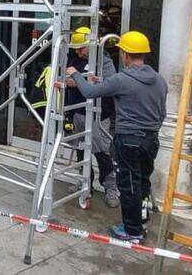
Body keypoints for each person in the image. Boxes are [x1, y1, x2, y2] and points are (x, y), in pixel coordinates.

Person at [66, 30, 167, 244]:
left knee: (128, 185)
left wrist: (74, 74)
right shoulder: (159, 80)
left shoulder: (122, 79)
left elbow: (89, 92)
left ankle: (132, 231)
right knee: (141, 182)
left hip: (129, 140)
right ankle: (140, 221)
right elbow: (162, 114)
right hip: (151, 139)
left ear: (125, 55)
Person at [64, 26, 119, 208]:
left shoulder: (104, 61)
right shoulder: (74, 58)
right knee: (81, 149)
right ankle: (84, 182)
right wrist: (85, 82)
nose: (78, 52)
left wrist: (78, 81)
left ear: (91, 46)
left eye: (81, 48)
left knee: (102, 153)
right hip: (77, 113)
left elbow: (109, 82)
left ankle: (110, 187)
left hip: (98, 116)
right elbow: (66, 78)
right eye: (76, 49)